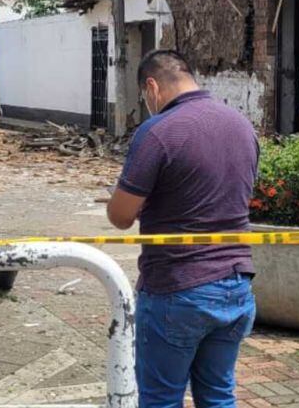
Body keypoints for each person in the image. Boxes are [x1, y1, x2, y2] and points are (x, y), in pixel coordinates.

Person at [107, 50, 258, 408]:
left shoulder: (158, 132)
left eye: (146, 96)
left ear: (152, 86)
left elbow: (120, 216)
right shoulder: (242, 126)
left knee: (161, 399)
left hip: (178, 289)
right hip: (237, 287)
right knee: (219, 395)